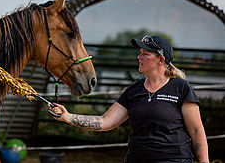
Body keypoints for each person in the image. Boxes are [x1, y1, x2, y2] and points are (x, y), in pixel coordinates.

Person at [49, 35, 209, 163]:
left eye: (145, 54)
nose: (139, 57)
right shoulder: (134, 91)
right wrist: (68, 117)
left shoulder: (180, 88)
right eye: (140, 52)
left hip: (175, 159)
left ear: (160, 60)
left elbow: (196, 131)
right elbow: (105, 121)